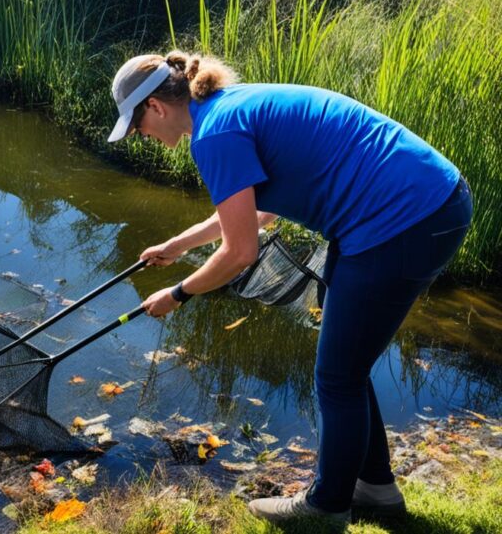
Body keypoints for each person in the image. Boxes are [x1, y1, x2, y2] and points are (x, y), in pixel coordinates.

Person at [107, 51, 473, 526]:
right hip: (432, 206)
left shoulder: (215, 135)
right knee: (349, 368)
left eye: (137, 126)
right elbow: (259, 213)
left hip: (403, 221)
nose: (141, 137)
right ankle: (376, 488)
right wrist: (178, 245)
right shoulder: (225, 108)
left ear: (155, 106)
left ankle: (326, 507)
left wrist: (178, 294)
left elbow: (240, 253)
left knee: (337, 378)